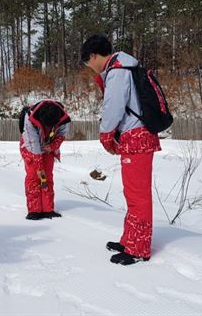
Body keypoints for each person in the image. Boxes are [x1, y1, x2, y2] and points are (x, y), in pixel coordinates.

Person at [80, 35, 162, 266]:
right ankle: (130, 240)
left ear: (94, 56)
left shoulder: (117, 71)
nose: (90, 68)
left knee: (138, 196)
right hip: (136, 137)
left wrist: (106, 135)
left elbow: (112, 108)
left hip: (136, 138)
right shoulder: (123, 67)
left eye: (88, 63)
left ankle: (138, 248)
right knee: (133, 194)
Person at [19, 100, 71, 220]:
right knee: (34, 177)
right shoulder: (29, 118)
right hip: (30, 147)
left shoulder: (63, 117)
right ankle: (34, 210)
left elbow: (61, 134)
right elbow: (33, 144)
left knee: (47, 176)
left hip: (48, 147)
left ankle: (48, 209)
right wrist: (38, 167)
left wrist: (52, 146)